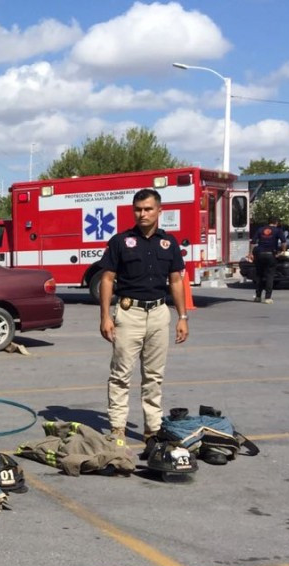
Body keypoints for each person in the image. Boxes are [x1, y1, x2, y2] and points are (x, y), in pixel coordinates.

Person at [97, 188, 189, 455]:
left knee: (154, 376)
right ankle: (117, 429)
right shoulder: (121, 241)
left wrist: (182, 317)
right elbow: (107, 279)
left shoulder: (168, 243)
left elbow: (176, 281)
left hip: (160, 314)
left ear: (159, 211)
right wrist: (105, 316)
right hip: (129, 314)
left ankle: (152, 430)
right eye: (138, 209)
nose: (143, 214)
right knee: (120, 375)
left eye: (148, 209)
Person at [249, 216, 287, 303]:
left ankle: (258, 297)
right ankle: (268, 298)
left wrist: (250, 253)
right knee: (270, 276)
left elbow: (253, 242)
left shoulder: (260, 229)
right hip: (271, 254)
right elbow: (284, 242)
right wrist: (283, 252)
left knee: (259, 276)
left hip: (259, 254)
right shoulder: (278, 230)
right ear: (276, 222)